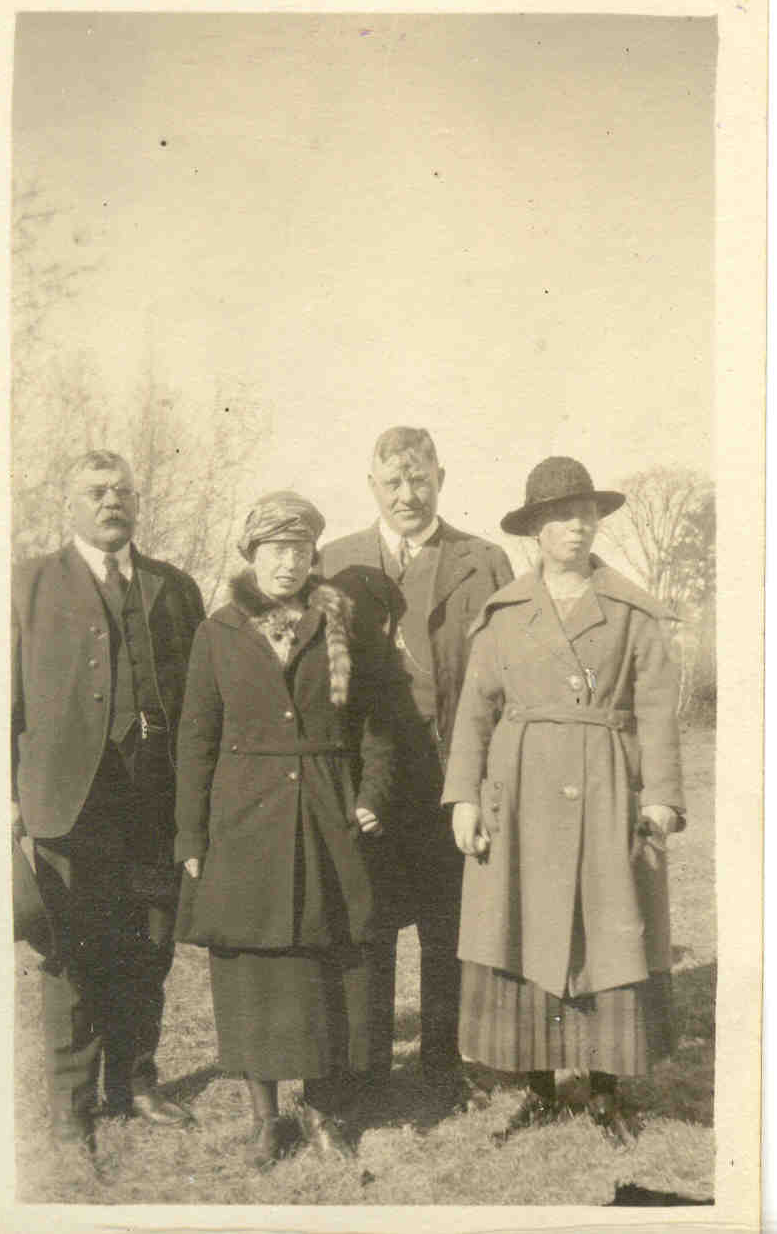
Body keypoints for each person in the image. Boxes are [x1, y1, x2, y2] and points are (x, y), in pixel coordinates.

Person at [442, 457, 685, 1142]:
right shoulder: (504, 613)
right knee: (523, 927)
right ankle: (541, 1088)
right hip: (519, 795)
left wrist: (660, 797)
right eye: (559, 516)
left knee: (607, 931)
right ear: (535, 530)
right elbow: (474, 713)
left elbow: (658, 712)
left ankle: (605, 1090)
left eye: (585, 514)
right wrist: (463, 798)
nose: (576, 526)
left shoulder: (633, 611)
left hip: (609, 789)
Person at [173, 491, 395, 1168]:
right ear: (251, 555)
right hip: (244, 818)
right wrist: (190, 836)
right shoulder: (218, 630)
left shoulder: (341, 625)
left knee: (333, 963)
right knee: (252, 970)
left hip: (327, 809)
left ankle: (325, 1111)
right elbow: (195, 739)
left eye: (299, 550)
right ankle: (265, 1118)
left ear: (312, 556)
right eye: (275, 550)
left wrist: (370, 793)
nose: (287, 562)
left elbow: (377, 724)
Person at [11, 450, 205, 1151]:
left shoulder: (173, 587)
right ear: (70, 503)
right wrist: (4, 798)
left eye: (122, 491)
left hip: (154, 800)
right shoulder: (26, 584)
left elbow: (201, 702)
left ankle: (135, 1082)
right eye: (96, 491)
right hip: (70, 802)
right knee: (71, 949)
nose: (111, 502)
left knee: (148, 946)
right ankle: (71, 1099)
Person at [321, 427, 513, 1108]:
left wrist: (484, 782)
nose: (407, 495)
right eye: (393, 482)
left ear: (441, 478)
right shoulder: (332, 560)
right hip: (367, 778)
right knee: (368, 923)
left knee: (446, 924)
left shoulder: (482, 561)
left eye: (419, 479)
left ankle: (441, 1067)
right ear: (372, 486)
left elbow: (504, 679)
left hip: (449, 773)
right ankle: (368, 1069)